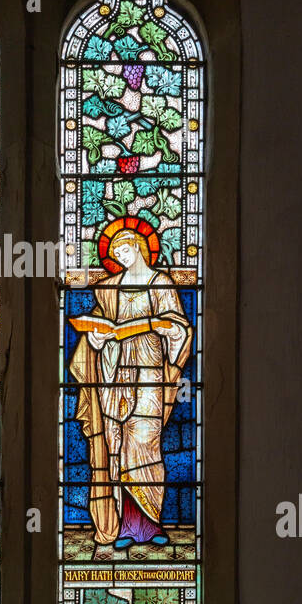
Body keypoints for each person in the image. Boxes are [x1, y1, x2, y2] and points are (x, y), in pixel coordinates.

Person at [69, 223, 192, 548]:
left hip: (150, 371)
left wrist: (170, 331)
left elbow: (179, 327)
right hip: (113, 374)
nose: (122, 258)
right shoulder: (109, 288)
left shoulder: (160, 283)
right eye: (116, 255)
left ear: (138, 247)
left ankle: (151, 524)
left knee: (145, 443)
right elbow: (98, 324)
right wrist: (95, 338)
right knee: (116, 445)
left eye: (125, 251)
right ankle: (125, 527)